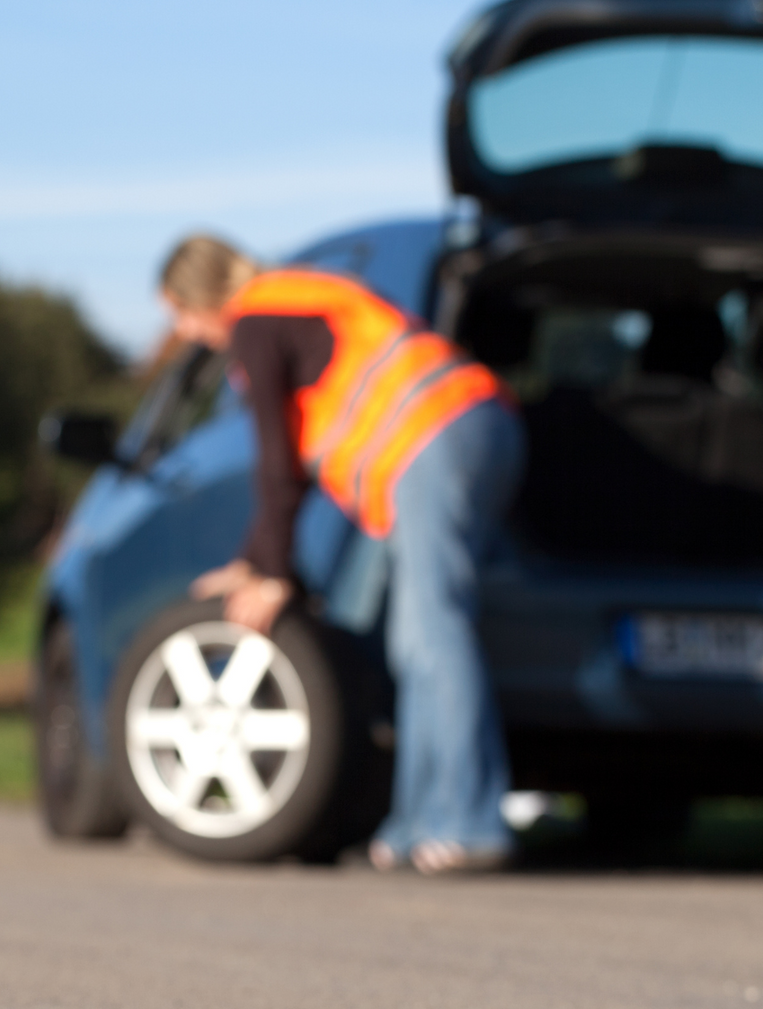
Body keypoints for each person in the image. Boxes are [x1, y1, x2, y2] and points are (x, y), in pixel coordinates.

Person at [159, 233, 525, 873]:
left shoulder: (256, 319)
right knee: (416, 636)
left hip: (435, 432)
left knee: (435, 628)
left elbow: (276, 463)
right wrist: (256, 562)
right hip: (472, 427)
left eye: (181, 315)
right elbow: (293, 467)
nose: (188, 333)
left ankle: (470, 823)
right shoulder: (295, 301)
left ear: (198, 295)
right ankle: (416, 827)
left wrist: (272, 574)